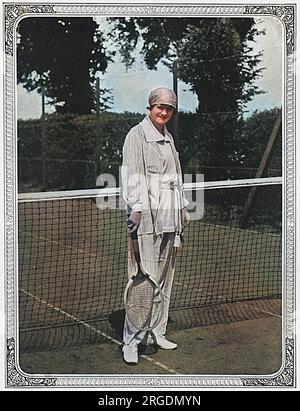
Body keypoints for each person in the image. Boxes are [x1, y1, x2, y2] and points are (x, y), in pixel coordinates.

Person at [121, 87, 189, 365]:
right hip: (146, 218)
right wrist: (136, 208)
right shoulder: (136, 135)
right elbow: (131, 173)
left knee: (164, 278)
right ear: (149, 107)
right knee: (143, 280)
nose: (164, 112)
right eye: (159, 107)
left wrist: (183, 205)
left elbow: (176, 175)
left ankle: (157, 331)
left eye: (169, 108)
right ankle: (132, 341)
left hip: (170, 216)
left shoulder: (168, 137)